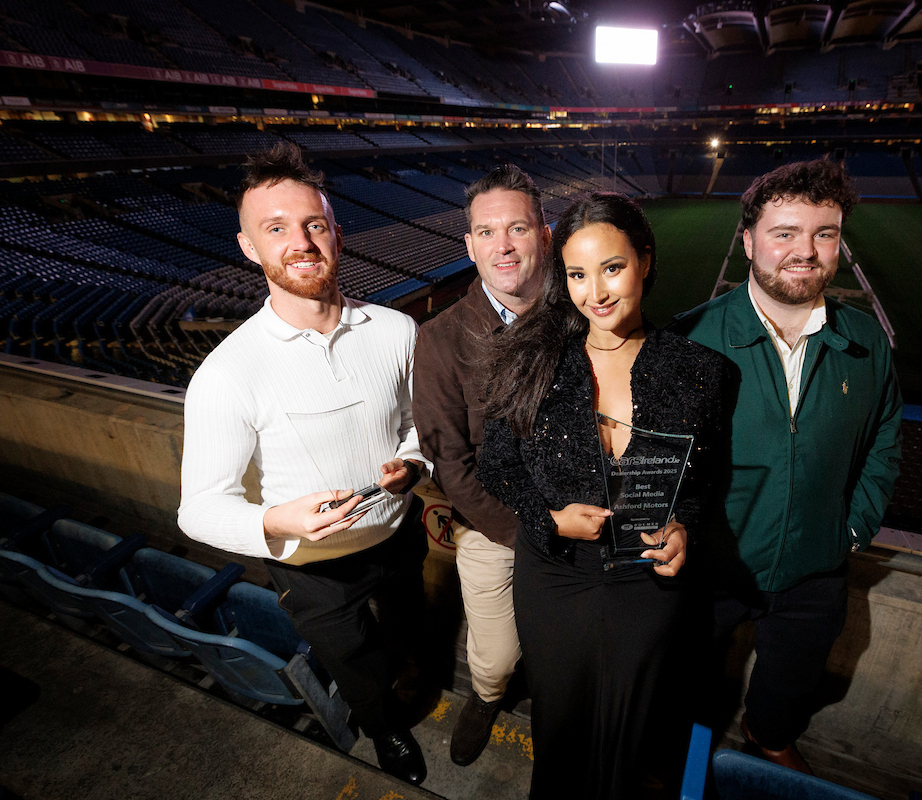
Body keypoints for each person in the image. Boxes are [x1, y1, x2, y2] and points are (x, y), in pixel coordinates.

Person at [177, 143, 431, 786]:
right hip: (309, 566)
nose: (301, 242)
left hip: (398, 532)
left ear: (336, 233)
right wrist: (277, 520)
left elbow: (416, 427)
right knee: (355, 663)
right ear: (248, 247)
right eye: (276, 228)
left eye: (314, 224)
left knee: (408, 629)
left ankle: (412, 679)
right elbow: (198, 508)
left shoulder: (397, 331)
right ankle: (386, 730)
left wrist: (411, 463)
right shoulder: (227, 373)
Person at [477, 192, 727, 799]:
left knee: (630, 737)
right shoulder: (529, 360)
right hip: (556, 578)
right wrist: (548, 519)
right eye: (577, 274)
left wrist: (684, 528)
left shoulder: (702, 369)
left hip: (648, 584)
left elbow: (705, 483)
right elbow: (495, 467)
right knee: (559, 730)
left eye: (612, 268)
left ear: (645, 260)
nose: (596, 292)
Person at [673, 159, 903, 773]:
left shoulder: (867, 341)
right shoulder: (689, 338)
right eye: (785, 233)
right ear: (748, 241)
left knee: (794, 676)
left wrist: (851, 528)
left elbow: (884, 441)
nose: (805, 251)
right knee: (687, 678)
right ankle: (683, 745)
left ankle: (768, 733)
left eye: (824, 234)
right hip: (710, 566)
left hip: (815, 566)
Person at [412, 164, 551, 766]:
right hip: (494, 528)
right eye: (487, 232)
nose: (504, 246)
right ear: (469, 246)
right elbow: (449, 462)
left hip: (581, 521)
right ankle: (488, 696)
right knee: (494, 658)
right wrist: (530, 532)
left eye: (517, 228)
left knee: (566, 647)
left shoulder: (583, 315)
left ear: (543, 234)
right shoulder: (440, 339)